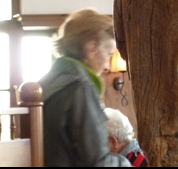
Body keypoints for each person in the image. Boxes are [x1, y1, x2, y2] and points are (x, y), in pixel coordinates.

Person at [38, 10, 128, 166]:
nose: (107, 66)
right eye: (108, 54)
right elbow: (97, 162)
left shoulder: (44, 84)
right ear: (92, 47)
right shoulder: (79, 89)